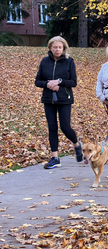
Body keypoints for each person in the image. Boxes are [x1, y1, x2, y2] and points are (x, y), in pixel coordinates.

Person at [35, 36, 83, 169]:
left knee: (65, 127)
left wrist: (59, 82)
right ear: (50, 48)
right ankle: (55, 157)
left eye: (60, 47)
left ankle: (77, 144)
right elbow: (37, 81)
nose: (57, 49)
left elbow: (73, 82)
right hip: (48, 99)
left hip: (64, 99)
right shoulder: (44, 61)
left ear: (64, 48)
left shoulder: (69, 61)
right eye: (55, 47)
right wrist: (48, 84)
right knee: (52, 128)